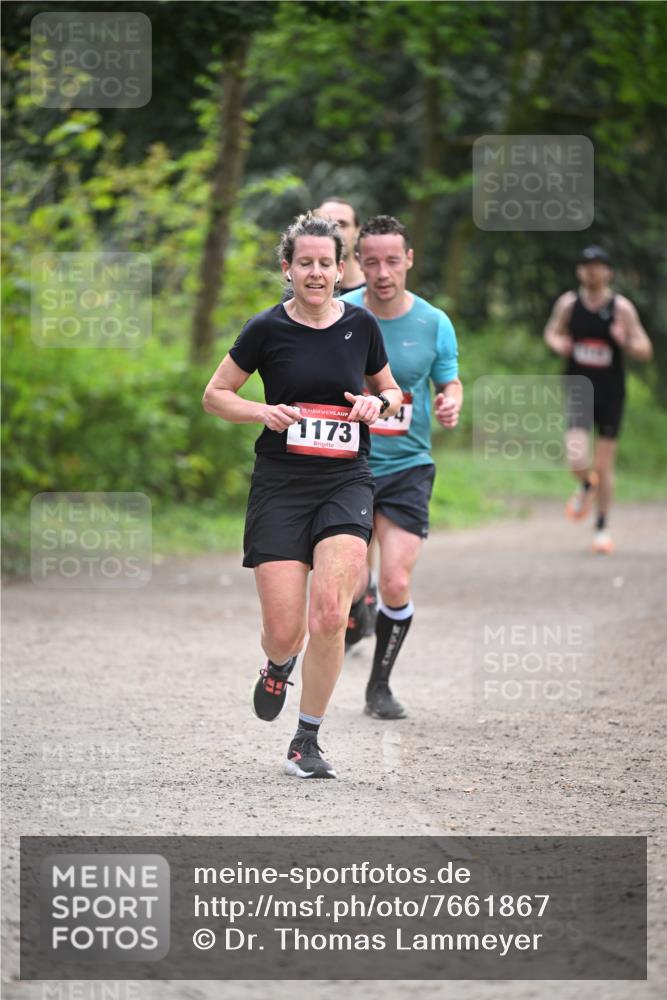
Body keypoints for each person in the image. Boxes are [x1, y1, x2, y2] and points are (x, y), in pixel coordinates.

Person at [203, 213, 402, 778]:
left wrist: (376, 405)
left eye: (326, 263)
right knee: (285, 627)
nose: (316, 273)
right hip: (281, 485)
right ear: (287, 268)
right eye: (304, 263)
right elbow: (215, 395)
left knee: (332, 614)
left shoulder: (361, 326)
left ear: (341, 270)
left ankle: (306, 740)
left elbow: (390, 391)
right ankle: (277, 662)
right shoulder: (265, 329)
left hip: (345, 481)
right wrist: (262, 412)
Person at [341, 215, 462, 720]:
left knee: (395, 582)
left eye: (393, 260)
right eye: (371, 261)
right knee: (348, 582)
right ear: (358, 263)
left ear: (409, 259)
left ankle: (380, 686)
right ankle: (357, 602)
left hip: (409, 466)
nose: (382, 271)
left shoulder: (434, 322)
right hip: (348, 462)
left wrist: (452, 401)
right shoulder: (339, 312)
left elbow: (448, 382)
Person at [544, 246, 652, 554]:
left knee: (604, 466)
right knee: (576, 458)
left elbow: (645, 349)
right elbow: (551, 332)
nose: (592, 271)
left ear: (608, 272)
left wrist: (626, 341)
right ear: (580, 271)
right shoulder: (568, 304)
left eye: (598, 266)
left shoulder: (622, 309)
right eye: (587, 265)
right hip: (578, 389)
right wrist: (559, 344)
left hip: (611, 393)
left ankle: (601, 528)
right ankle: (586, 485)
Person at [316, 198, 367, 293]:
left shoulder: (377, 286)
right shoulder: (302, 289)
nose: (334, 231)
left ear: (357, 233)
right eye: (326, 224)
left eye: (342, 224)